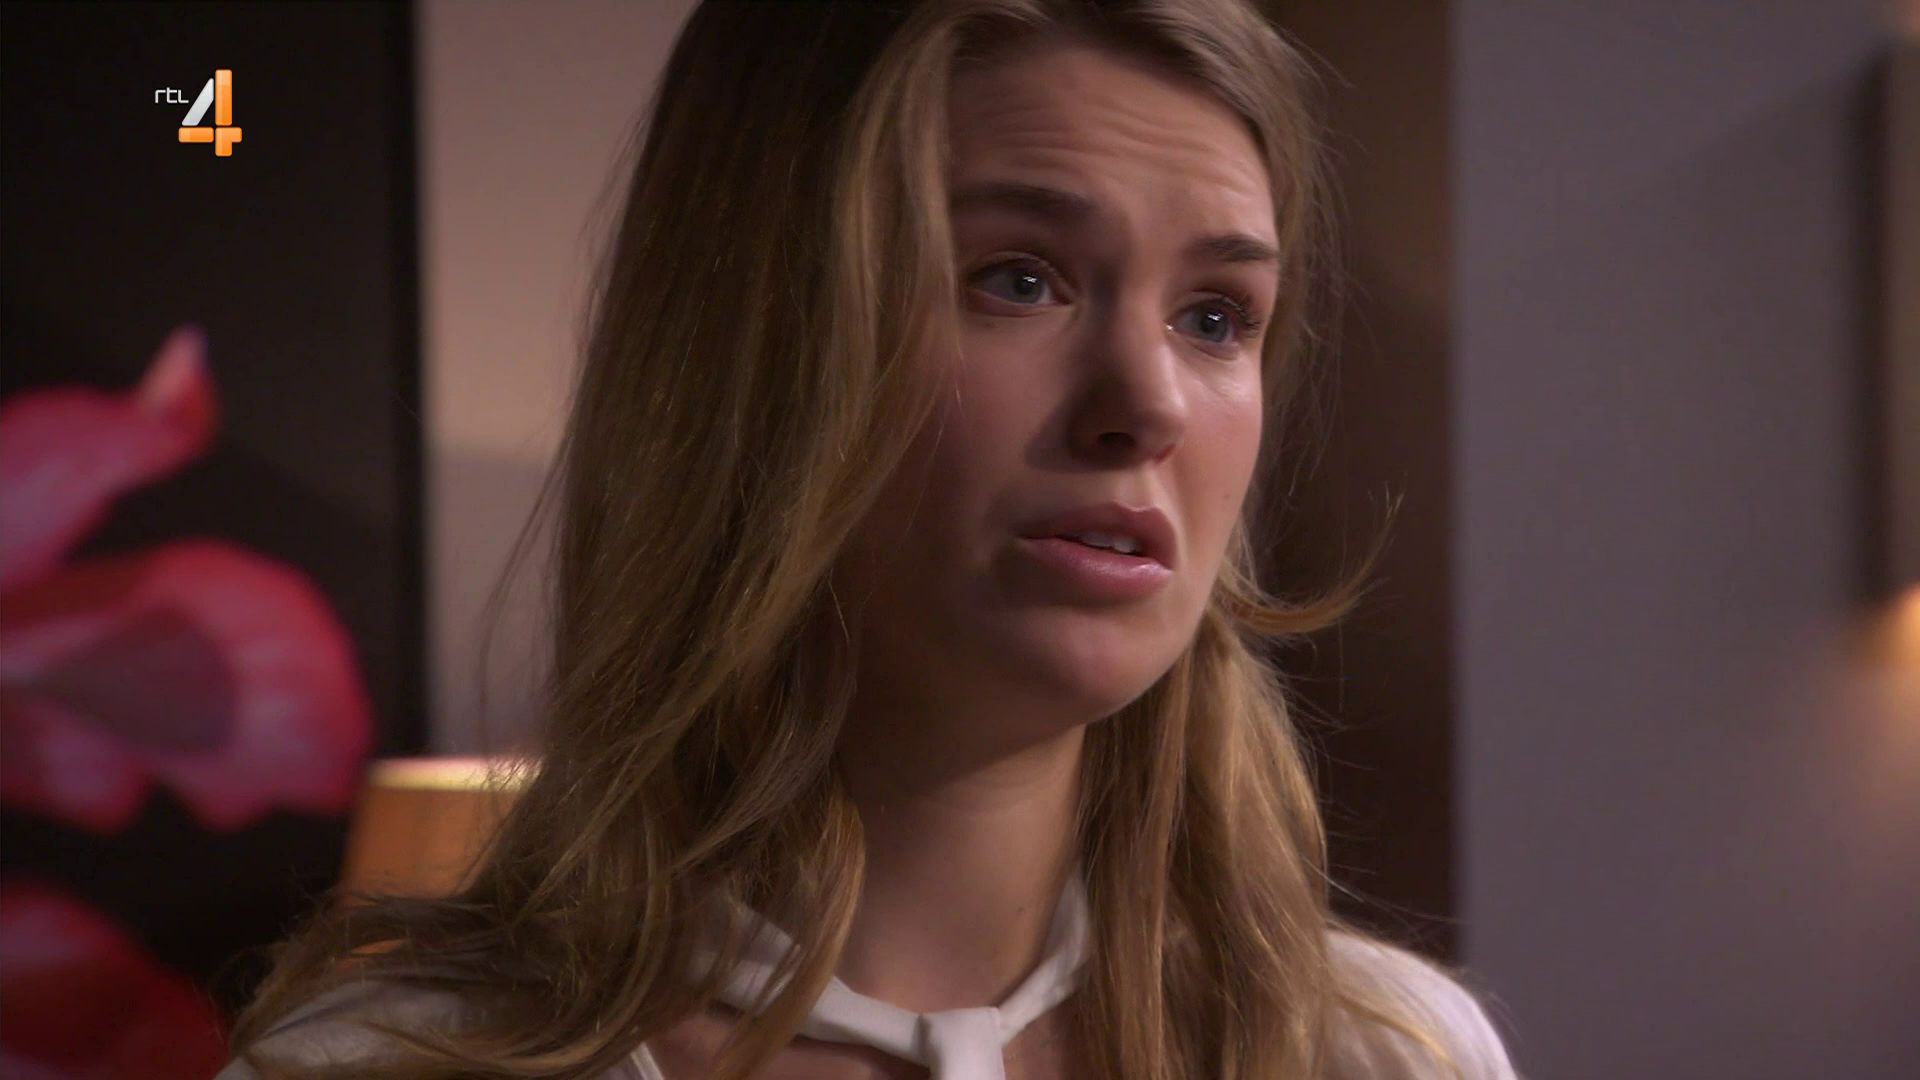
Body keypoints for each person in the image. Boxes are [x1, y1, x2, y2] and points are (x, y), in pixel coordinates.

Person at [219, 1, 1518, 1077]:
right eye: (1019, 279)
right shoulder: (382, 1066)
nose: (1150, 403)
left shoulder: (1375, 1053)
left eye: (1217, 317)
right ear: (760, 349)